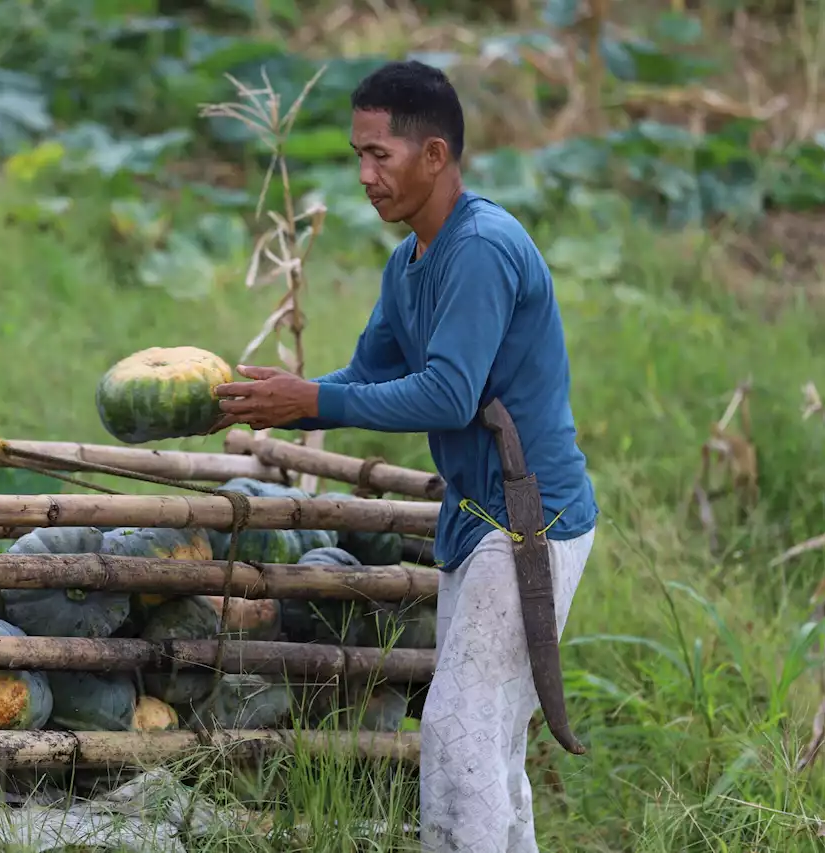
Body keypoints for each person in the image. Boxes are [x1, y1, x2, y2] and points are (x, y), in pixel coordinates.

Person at [209, 59, 599, 852]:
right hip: (475, 523)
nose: (364, 175)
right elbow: (368, 376)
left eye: (379, 155)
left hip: (529, 523)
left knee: (458, 734)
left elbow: (449, 394)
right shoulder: (409, 263)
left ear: (435, 156)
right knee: (488, 746)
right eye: (357, 155)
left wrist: (310, 400)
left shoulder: (483, 247)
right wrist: (277, 395)